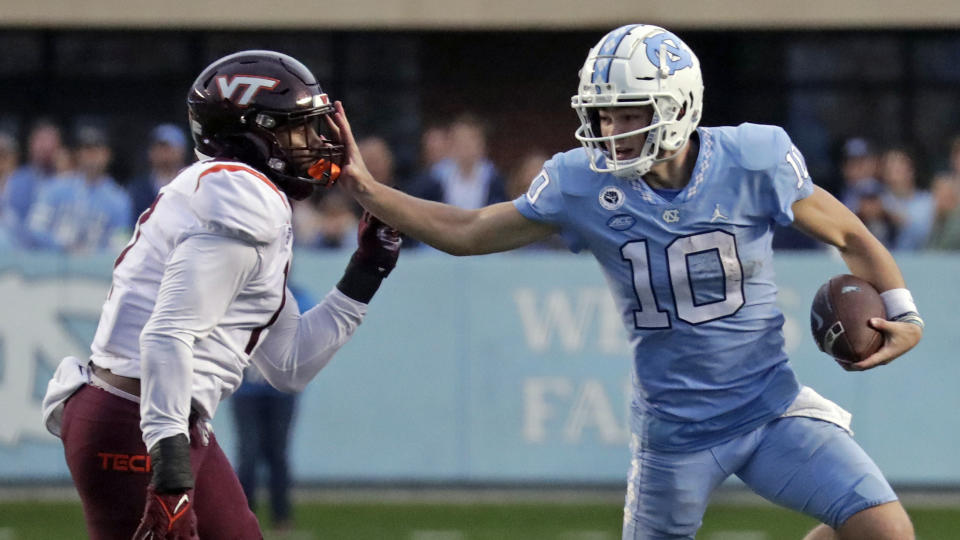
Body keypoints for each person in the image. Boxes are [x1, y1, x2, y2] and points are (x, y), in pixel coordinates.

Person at [333, 24, 923, 540]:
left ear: (679, 105)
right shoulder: (581, 181)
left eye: (630, 112)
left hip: (769, 409)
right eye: (604, 112)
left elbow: (850, 236)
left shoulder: (754, 158)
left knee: (885, 528)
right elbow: (468, 229)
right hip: (675, 437)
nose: (611, 127)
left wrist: (905, 314)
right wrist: (366, 189)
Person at [41, 50, 401, 540]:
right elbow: (167, 334)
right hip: (139, 421)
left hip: (135, 417)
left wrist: (368, 270)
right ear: (256, 133)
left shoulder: (236, 197)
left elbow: (289, 363)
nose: (316, 144)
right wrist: (170, 476)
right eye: (299, 129)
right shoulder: (243, 194)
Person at [25, 125, 133, 253]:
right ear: (78, 154)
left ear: (107, 154)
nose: (92, 156)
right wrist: (63, 247)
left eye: (97, 149)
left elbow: (119, 245)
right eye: (86, 149)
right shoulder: (55, 187)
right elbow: (34, 228)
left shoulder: (119, 199)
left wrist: (89, 254)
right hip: (52, 265)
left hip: (95, 269)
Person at [1, 119, 65, 247]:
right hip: (19, 247)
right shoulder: (15, 180)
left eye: (50, 141)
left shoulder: (68, 183)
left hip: (56, 249)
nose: (45, 147)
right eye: (41, 141)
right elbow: (10, 220)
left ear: (59, 147)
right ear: (31, 144)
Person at [127, 123, 189, 221]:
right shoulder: (137, 189)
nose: (163, 153)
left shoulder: (192, 184)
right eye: (159, 147)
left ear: (182, 151)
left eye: (168, 148)